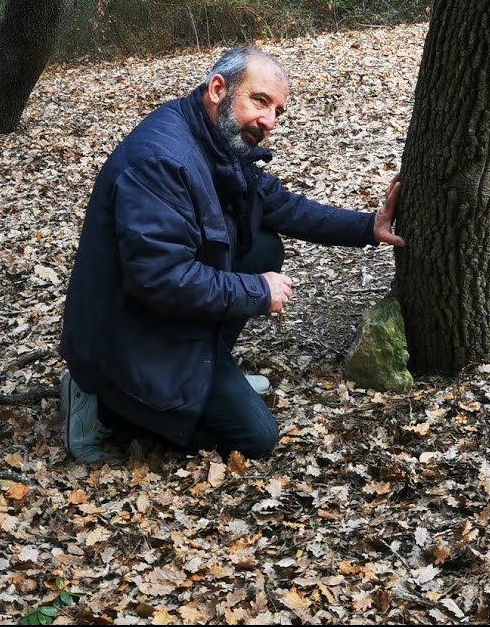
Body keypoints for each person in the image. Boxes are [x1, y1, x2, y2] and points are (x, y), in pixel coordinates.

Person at [58, 46, 404, 463]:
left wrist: (368, 227)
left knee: (262, 247)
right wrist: (256, 291)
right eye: (260, 101)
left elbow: (279, 205)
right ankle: (97, 398)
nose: (269, 122)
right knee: (255, 438)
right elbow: (160, 278)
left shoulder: (216, 138)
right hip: (124, 338)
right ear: (218, 88)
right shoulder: (162, 161)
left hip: (159, 318)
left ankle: (204, 371)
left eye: (278, 110)